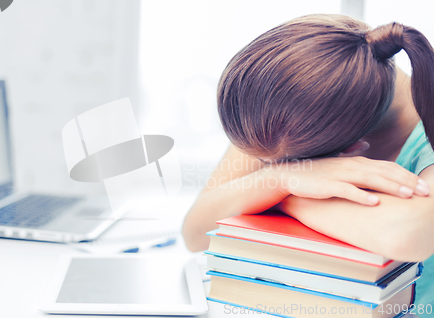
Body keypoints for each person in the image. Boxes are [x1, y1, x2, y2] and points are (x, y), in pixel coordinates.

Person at [182, 14, 434, 311]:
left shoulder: (318, 110)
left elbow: (409, 234)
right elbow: (196, 233)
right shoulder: (285, 105)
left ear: (352, 148)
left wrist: (279, 197)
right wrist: (278, 180)